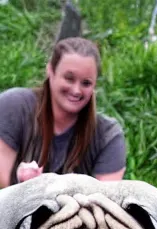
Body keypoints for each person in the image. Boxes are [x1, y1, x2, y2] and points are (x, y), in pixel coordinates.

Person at [0, 37, 126, 188]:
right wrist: (28, 188)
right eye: (69, 78)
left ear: (95, 85)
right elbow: (2, 182)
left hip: (78, 210)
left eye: (86, 83)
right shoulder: (14, 106)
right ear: (50, 71)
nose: (76, 90)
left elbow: (108, 200)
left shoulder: (108, 136)